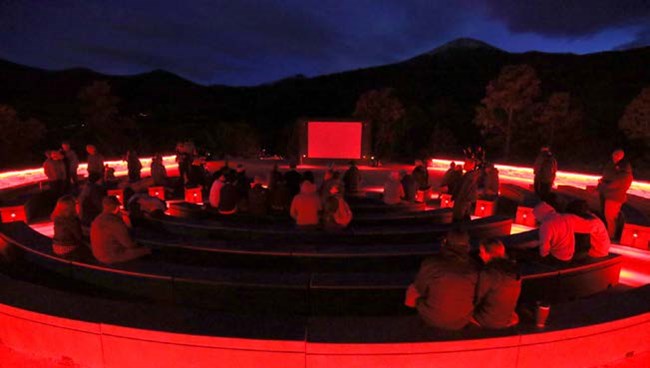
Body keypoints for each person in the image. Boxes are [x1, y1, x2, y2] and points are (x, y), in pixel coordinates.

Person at [405, 229, 479, 330]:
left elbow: (419, 288)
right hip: (462, 321)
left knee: (413, 290)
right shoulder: (473, 266)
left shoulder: (432, 263)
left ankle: (410, 321)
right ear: (467, 246)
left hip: (433, 319)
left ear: (445, 243)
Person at [473, 239, 521, 329]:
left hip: (487, 320)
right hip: (506, 318)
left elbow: (477, 298)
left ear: (489, 254)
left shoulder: (489, 273)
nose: (479, 255)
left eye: (481, 252)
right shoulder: (513, 272)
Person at [90, 196, 151, 264]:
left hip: (99, 255)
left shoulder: (98, 219)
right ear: (115, 206)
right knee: (147, 250)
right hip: (113, 256)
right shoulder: (114, 221)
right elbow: (129, 244)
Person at [597, 149, 633, 239]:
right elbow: (608, 177)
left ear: (621, 156)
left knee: (610, 216)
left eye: (617, 155)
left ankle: (611, 235)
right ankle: (610, 234)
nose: (615, 156)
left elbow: (616, 184)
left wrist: (603, 184)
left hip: (614, 196)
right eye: (614, 154)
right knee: (608, 215)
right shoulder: (611, 165)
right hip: (607, 194)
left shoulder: (624, 171)